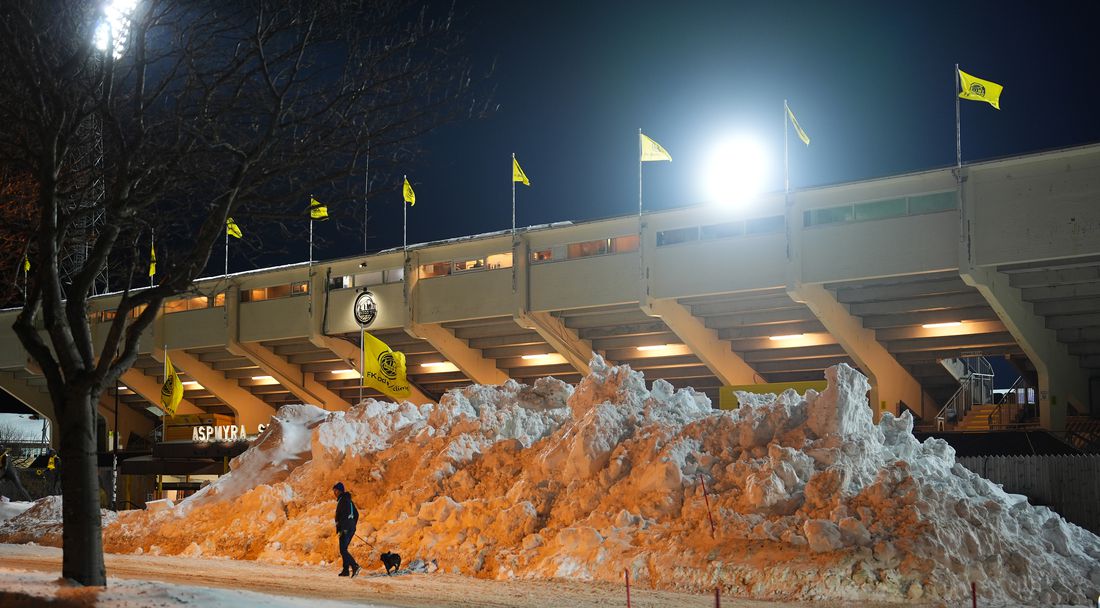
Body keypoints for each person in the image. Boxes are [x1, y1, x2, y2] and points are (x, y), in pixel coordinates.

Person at [332, 482, 360, 577]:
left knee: (343, 549)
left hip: (344, 529)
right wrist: (352, 525)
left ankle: (354, 566)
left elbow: (341, 516)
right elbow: (356, 514)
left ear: (340, 490)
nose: (334, 492)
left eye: (335, 490)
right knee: (344, 549)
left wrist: (345, 526)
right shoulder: (348, 501)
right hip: (348, 528)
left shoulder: (343, 500)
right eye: (334, 490)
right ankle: (346, 570)